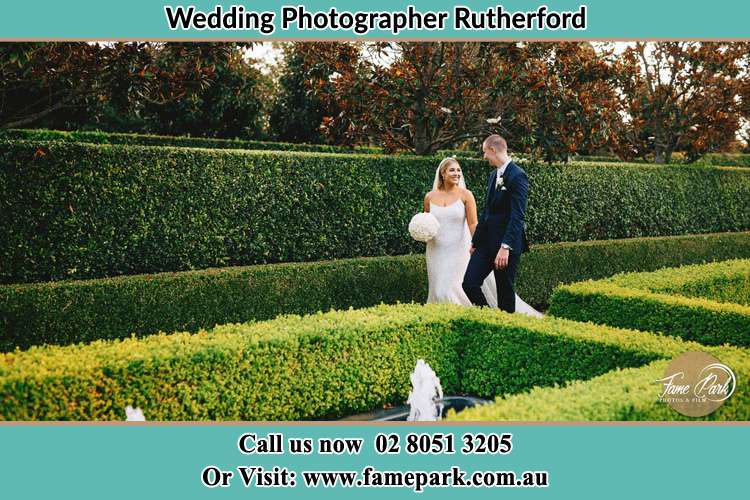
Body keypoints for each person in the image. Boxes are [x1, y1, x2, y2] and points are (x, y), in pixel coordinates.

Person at [423, 156, 541, 317]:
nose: (457, 173)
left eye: (459, 170)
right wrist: (421, 231)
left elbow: (474, 223)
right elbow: (426, 221)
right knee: (438, 287)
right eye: (452, 170)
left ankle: (462, 317)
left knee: (451, 287)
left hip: (458, 248)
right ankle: (441, 318)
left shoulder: (466, 195)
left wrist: (477, 243)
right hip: (436, 249)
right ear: (442, 173)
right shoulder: (429, 197)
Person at [462, 135, 532, 314]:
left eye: (485, 152)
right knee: (469, 283)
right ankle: (490, 318)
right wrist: (475, 242)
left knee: (504, 290)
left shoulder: (518, 176)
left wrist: (505, 247)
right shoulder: (494, 175)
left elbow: (517, 216)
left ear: (493, 150)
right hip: (486, 243)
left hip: (506, 246)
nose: (484, 156)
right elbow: (487, 212)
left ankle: (507, 329)